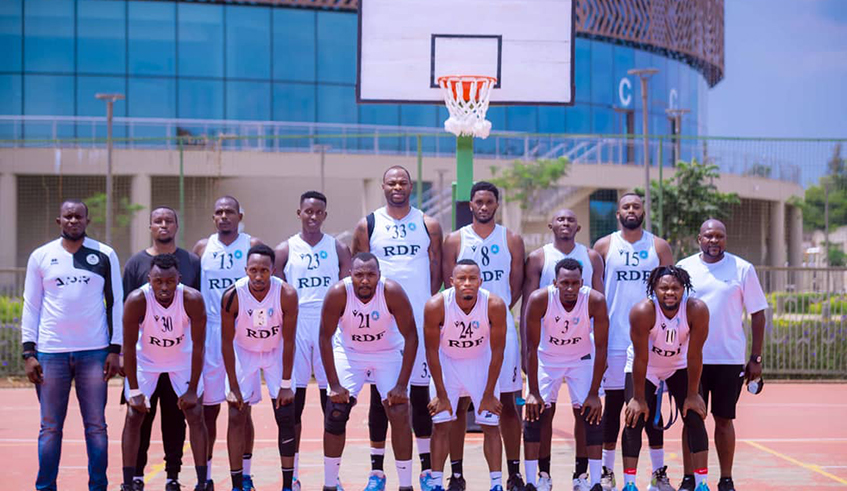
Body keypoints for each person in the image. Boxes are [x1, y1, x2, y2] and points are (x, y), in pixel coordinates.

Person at [21, 199, 123, 491]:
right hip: (51, 352)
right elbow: (31, 305)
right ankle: (45, 486)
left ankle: (98, 486)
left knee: (96, 427)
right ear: (59, 221)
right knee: (50, 427)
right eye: (68, 216)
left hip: (94, 351)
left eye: (79, 216)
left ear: (87, 221)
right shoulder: (41, 256)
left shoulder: (105, 254)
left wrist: (115, 349)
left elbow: (115, 303)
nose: (73, 221)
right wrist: (29, 352)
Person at [352, 166, 443, 489]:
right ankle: (377, 471)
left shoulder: (428, 224)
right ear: (382, 185)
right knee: (381, 398)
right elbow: (358, 269)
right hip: (383, 325)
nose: (397, 187)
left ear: (411, 186)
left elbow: (437, 270)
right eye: (391, 182)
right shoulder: (369, 224)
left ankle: (427, 470)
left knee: (419, 395)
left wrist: (425, 306)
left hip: (417, 322)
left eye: (403, 182)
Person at [441, 181, 525, 491]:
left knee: (506, 401)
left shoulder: (512, 239)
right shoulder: (454, 239)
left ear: (497, 204)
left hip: (500, 329)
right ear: (471, 205)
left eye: (490, 201)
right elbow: (447, 282)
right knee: (460, 403)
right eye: (479, 201)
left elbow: (515, 286)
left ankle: (513, 474)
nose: (484, 206)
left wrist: (494, 313)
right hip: (463, 331)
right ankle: (457, 474)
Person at [676, 220, 768, 491]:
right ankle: (689, 477)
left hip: (729, 359)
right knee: (691, 419)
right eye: (708, 236)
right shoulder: (685, 268)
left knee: (724, 420)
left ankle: (726, 478)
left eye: (719, 236)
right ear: (699, 238)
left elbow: (758, 314)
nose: (714, 241)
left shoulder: (742, 268)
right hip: (692, 359)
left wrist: (756, 358)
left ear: (726, 239)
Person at [318, 253, 419, 491]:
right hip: (350, 353)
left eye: (370, 275)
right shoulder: (338, 293)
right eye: (359, 275)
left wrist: (402, 385)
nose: (365, 281)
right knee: (335, 410)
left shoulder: (392, 292)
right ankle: (329, 485)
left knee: (400, 409)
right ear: (350, 275)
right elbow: (324, 337)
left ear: (379, 276)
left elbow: (412, 336)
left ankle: (406, 486)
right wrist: (334, 385)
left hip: (386, 352)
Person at [592, 193, 673, 491]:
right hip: (614, 341)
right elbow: (596, 298)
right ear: (618, 214)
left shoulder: (659, 247)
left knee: (651, 408)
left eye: (636, 206)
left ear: (643, 211)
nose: (631, 210)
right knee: (613, 408)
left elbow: (672, 293)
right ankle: (606, 472)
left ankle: (658, 473)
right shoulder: (603, 246)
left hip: (651, 343)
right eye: (625, 206)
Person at [521, 209, 604, 491]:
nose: (570, 288)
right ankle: (537, 478)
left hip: (582, 358)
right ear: (555, 282)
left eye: (575, 283)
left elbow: (602, 346)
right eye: (564, 283)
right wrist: (531, 388)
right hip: (548, 357)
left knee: (591, 414)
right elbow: (532, 346)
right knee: (536, 414)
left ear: (583, 283)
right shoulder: (540, 298)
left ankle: (588, 479)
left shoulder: (593, 299)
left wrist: (594, 392)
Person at [275, 191, 352, 489]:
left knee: (332, 406)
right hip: (296, 326)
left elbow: (347, 292)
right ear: (299, 213)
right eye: (308, 211)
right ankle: (291, 474)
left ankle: (331, 478)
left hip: (328, 325)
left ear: (325, 215)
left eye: (318, 212)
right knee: (293, 406)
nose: (313, 216)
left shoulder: (338, 248)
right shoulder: (284, 250)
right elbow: (277, 295)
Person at [122, 206, 201, 490]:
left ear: (177, 226)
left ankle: (173, 475)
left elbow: (195, 308)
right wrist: (120, 352)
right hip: (147, 357)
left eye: (169, 220)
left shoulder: (191, 261)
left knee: (175, 420)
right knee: (140, 416)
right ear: (150, 226)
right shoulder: (135, 263)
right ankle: (135, 475)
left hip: (180, 356)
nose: (163, 225)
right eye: (158, 220)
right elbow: (127, 312)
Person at [193, 196, 263, 490]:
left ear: (240, 215)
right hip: (210, 333)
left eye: (229, 212)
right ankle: (206, 476)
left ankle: (244, 474)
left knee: (242, 408)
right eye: (219, 212)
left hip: (243, 334)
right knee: (209, 409)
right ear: (214, 217)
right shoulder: (201, 248)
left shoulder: (252, 245)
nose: (224, 216)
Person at [622, 266, 710, 491]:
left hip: (678, 366)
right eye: (664, 288)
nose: (670, 293)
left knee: (694, 416)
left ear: (684, 289)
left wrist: (692, 394)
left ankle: (701, 484)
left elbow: (695, 354)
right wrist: (639, 398)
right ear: (654, 289)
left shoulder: (696, 310)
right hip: (647, 366)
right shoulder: (643, 311)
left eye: (675, 288)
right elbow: (641, 358)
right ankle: (630, 484)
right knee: (634, 418)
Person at [424, 259, 508, 491]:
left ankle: (496, 485)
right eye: (462, 278)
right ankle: (436, 483)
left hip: (479, 363)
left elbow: (498, 350)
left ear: (481, 281)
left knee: (491, 424)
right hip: (448, 363)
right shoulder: (436, 305)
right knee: (441, 424)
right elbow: (431, 350)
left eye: (473, 278)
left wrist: (489, 393)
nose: (467, 283)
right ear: (452, 282)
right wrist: (441, 393)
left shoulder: (494, 304)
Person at [220, 245, 299, 491]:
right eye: (253, 270)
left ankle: (288, 484)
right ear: (245, 270)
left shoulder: (286, 293)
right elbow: (225, 342)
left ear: (272, 271)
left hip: (275, 352)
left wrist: (285, 384)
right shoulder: (232, 295)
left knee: (286, 415)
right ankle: (239, 482)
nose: (257, 276)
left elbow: (289, 341)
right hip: (244, 353)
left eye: (263, 270)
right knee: (236, 414)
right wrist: (233, 386)